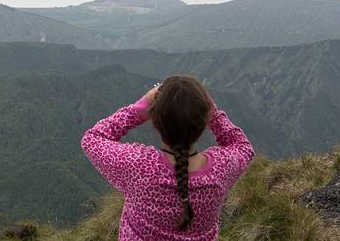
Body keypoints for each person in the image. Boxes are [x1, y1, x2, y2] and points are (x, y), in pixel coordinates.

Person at [81, 75, 254, 240]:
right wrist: (214, 115)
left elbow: (92, 139)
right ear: (203, 122)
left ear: (155, 120)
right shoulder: (220, 170)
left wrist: (140, 108)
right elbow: (243, 147)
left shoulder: (139, 166)